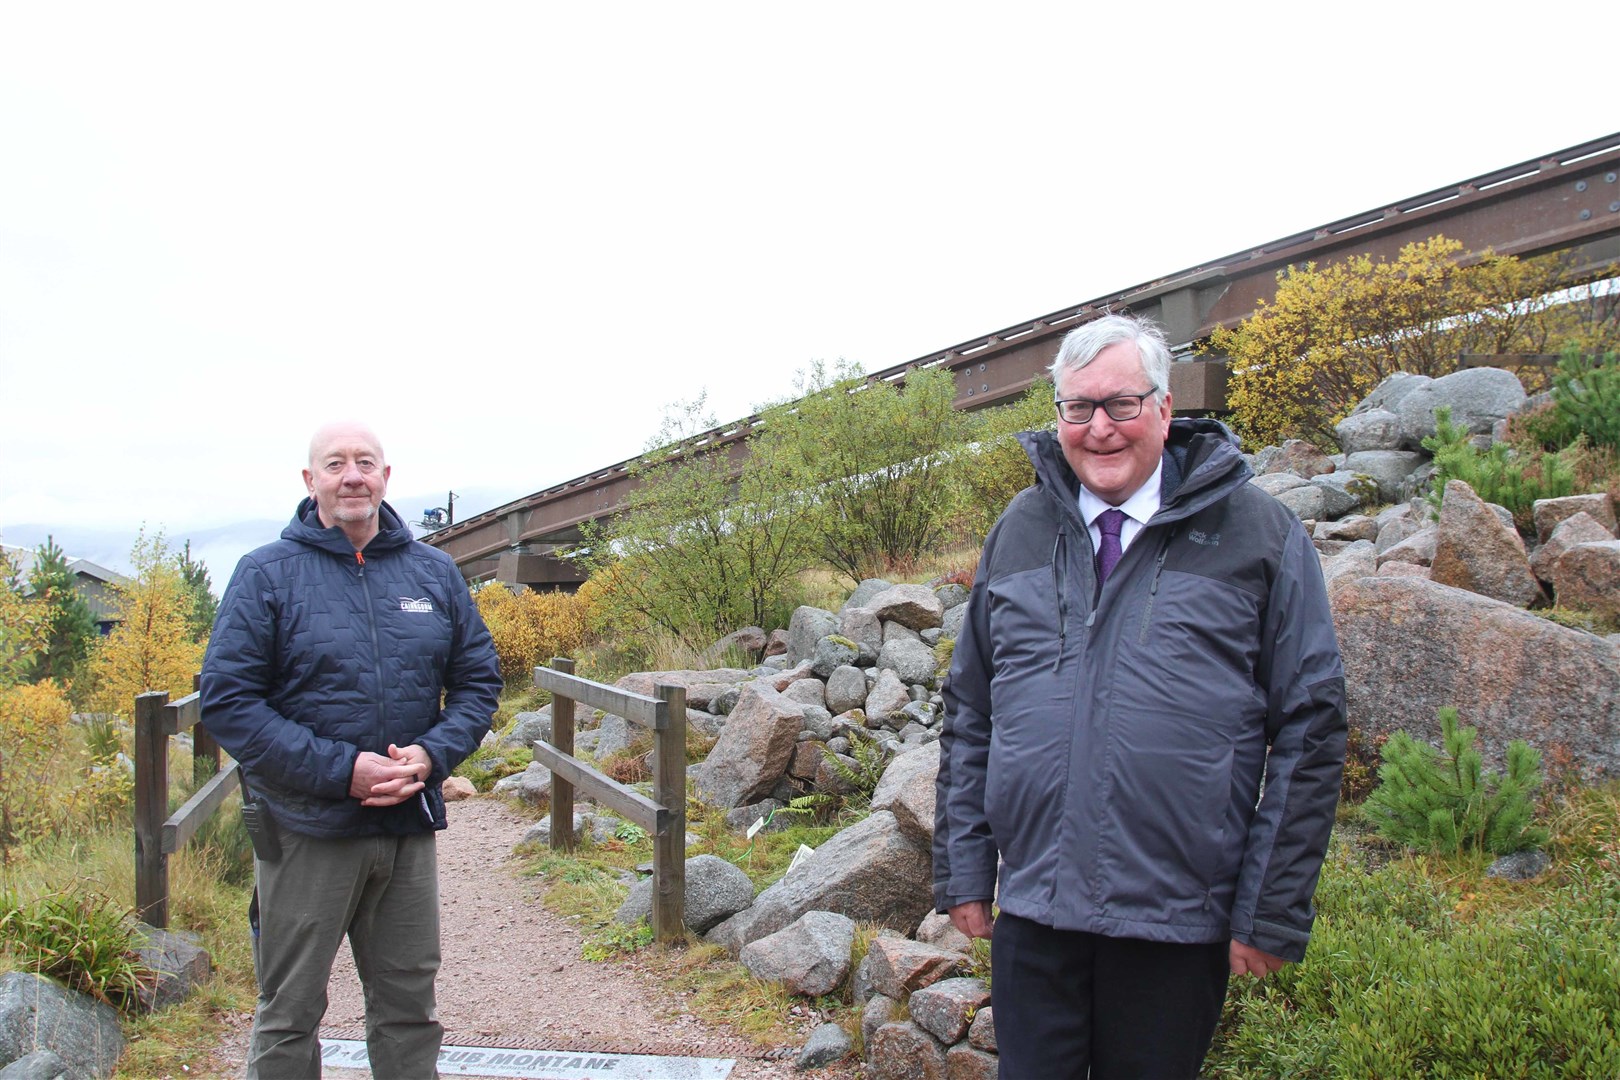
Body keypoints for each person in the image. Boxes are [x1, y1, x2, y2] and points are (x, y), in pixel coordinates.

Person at [933, 313, 1347, 1079]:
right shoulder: (1018, 532)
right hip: (1036, 912)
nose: (1101, 429)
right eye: (1079, 407)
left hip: (1176, 923)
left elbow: (1310, 730)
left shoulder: (1260, 534)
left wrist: (1270, 909)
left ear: (1164, 408)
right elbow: (972, 713)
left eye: (1122, 405)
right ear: (1057, 414)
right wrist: (964, 871)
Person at [201, 421, 501, 1080]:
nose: (353, 475)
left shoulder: (434, 573)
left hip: (405, 829)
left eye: (366, 462)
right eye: (335, 464)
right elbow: (227, 701)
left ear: (386, 478)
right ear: (310, 482)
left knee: (409, 1012)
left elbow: (480, 682)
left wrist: (432, 756)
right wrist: (343, 771)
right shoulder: (266, 576)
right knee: (290, 1013)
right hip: (307, 830)